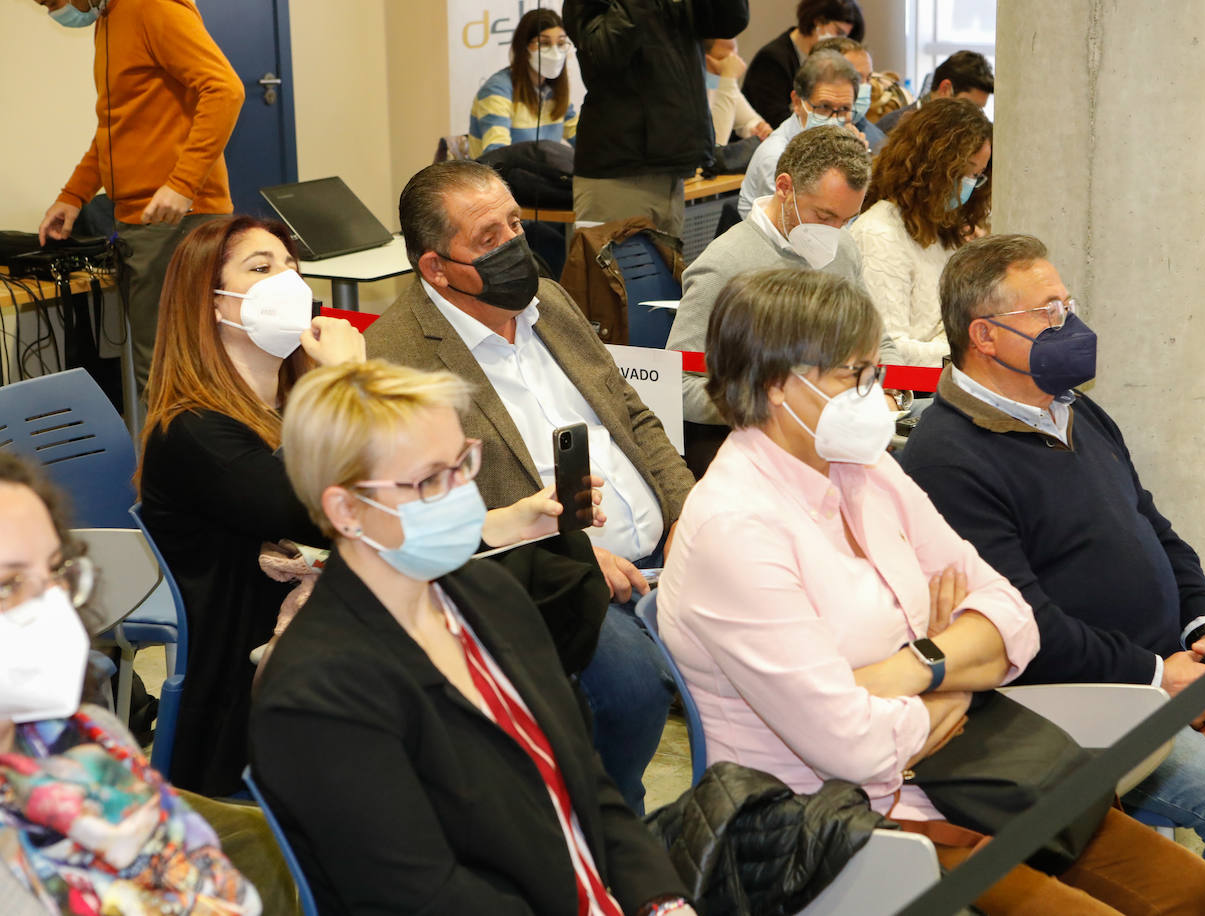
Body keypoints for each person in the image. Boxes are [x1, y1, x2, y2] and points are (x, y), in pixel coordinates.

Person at [658, 268, 1205, 916]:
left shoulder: (866, 470)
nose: (879, 398)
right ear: (777, 384)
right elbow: (849, 745)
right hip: (829, 822)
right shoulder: (735, 528)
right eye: (856, 376)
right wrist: (956, 675)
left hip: (970, 775)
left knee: (1190, 890)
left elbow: (1013, 616)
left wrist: (916, 665)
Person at [900, 234, 1205, 916]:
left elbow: (1154, 527)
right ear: (986, 335)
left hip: (1173, 673)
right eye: (1051, 312)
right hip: (1078, 703)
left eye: (1068, 303)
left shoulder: (1074, 409)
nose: (1073, 324)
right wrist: (1163, 678)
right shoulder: (947, 458)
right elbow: (1027, 627)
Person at [251, 359, 694, 915]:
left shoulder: (488, 594)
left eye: (463, 464)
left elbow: (587, 782)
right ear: (346, 509)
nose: (463, 492)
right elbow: (423, 895)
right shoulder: (316, 692)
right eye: (432, 479)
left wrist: (660, 899)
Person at [365, 160, 695, 813]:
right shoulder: (395, 355)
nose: (516, 245)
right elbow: (439, 508)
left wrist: (688, 510)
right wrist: (574, 559)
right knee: (630, 688)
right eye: (488, 239)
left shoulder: (550, 301)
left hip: (668, 551)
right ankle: (604, 822)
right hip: (546, 576)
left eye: (515, 222)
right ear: (435, 268)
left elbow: (631, 414)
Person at [134, 217, 368, 796]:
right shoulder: (193, 432)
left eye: (291, 266)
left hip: (324, 661)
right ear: (211, 304)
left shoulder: (293, 403)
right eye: (261, 269)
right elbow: (326, 509)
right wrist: (350, 383)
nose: (287, 281)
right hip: (251, 712)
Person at [0, 453, 263, 915]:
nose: (53, 606)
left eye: (56, 572)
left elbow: (217, 898)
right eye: (8, 585)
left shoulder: (87, 743)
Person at [34, 0, 244, 399]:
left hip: (178, 222)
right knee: (164, 372)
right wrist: (73, 196)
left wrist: (183, 183)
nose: (53, 10)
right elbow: (117, 127)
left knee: (174, 378)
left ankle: (180, 461)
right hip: (140, 221)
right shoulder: (110, 19)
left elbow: (225, 90)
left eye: (52, 0)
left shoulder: (151, 7)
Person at [668, 125, 896, 475]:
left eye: (846, 220)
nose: (834, 232)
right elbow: (678, 385)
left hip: (835, 435)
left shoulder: (843, 250)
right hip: (755, 448)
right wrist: (776, 407)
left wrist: (889, 394)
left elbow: (879, 341)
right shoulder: (723, 265)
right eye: (824, 216)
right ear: (784, 188)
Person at [564, 0, 748, 238]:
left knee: (667, 275)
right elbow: (601, 54)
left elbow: (729, 21)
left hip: (673, 167)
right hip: (618, 172)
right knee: (616, 275)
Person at [849, 98, 991, 367]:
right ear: (932, 167)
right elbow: (887, 352)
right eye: (964, 172)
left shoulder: (943, 228)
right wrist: (969, 349)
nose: (970, 184)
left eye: (978, 175)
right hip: (907, 392)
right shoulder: (879, 234)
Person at [738, 49, 862, 220]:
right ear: (797, 102)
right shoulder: (776, 156)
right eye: (824, 107)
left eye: (844, 109)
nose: (834, 118)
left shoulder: (835, 145)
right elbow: (796, 230)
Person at [468, 8, 579, 159]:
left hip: (543, 179)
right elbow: (496, 155)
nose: (555, 51)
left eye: (561, 43)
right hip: (502, 180)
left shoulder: (554, 91)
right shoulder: (497, 90)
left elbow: (584, 142)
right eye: (544, 43)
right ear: (524, 47)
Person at [743, 0, 866, 129]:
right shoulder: (772, 59)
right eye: (839, 33)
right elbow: (776, 119)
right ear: (818, 21)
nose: (841, 41)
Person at [877, 50, 994, 133]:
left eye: (980, 109)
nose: (976, 117)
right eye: (971, 107)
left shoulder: (964, 134)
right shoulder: (893, 129)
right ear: (945, 89)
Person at [811, 36, 886, 153]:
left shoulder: (877, 139)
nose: (865, 86)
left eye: (869, 78)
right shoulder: (793, 139)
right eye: (857, 78)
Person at [704, 38, 772, 146]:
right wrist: (728, 78)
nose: (734, 63)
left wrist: (757, 128)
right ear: (704, 59)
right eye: (725, 59)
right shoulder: (688, 91)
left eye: (734, 56)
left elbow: (749, 121)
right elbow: (715, 146)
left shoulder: (715, 81)